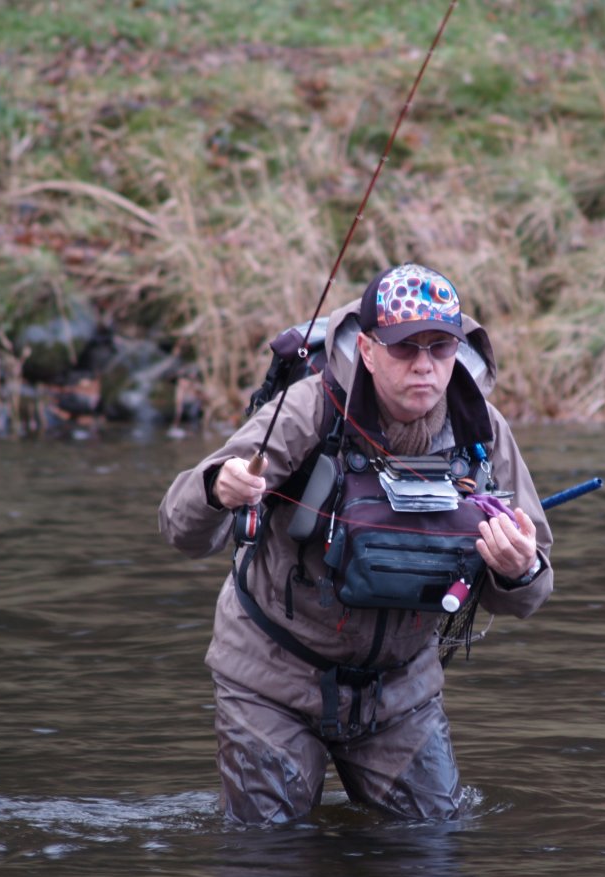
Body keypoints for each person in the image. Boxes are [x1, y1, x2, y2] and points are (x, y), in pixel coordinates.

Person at [159, 263, 553, 824]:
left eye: (440, 348)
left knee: (431, 849)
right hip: (271, 679)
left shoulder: (481, 432)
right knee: (271, 860)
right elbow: (179, 527)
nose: (424, 366)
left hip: (401, 693)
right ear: (367, 349)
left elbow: (533, 591)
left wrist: (517, 571)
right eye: (403, 349)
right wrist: (218, 490)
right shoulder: (308, 408)